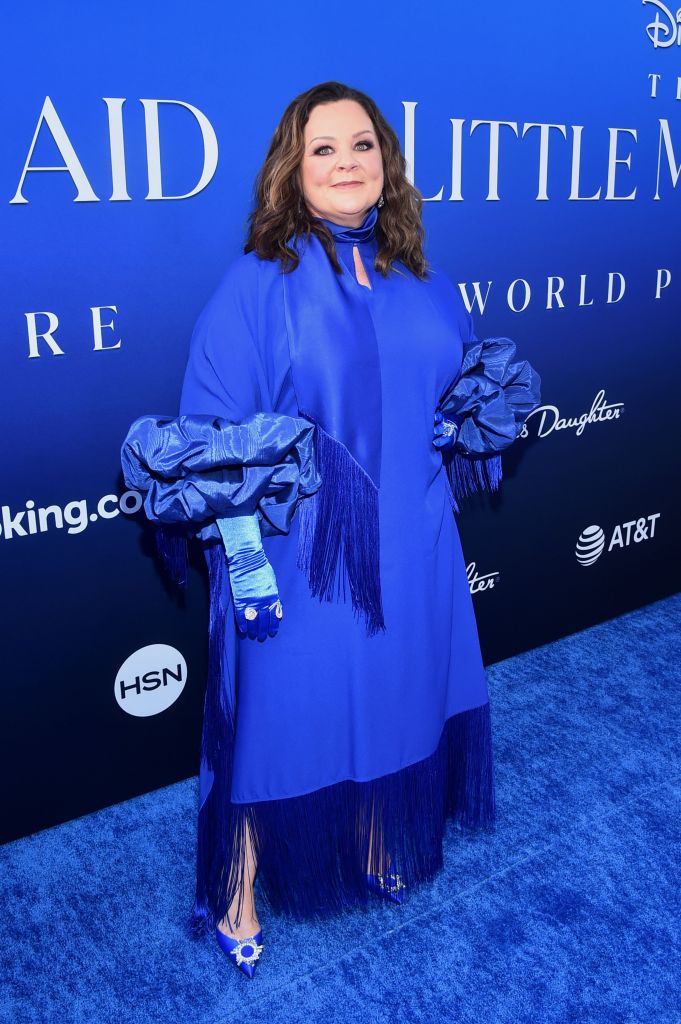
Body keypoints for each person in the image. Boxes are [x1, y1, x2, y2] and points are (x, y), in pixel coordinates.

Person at [121, 80, 541, 980]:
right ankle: (233, 884)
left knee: (394, 689)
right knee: (277, 716)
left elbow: (460, 384)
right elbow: (211, 439)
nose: (348, 164)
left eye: (363, 146)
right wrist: (246, 563)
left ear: (386, 161)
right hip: (301, 554)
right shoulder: (257, 284)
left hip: (417, 534)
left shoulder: (421, 275)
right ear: (291, 167)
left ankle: (374, 830)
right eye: (324, 149)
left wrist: (467, 419)